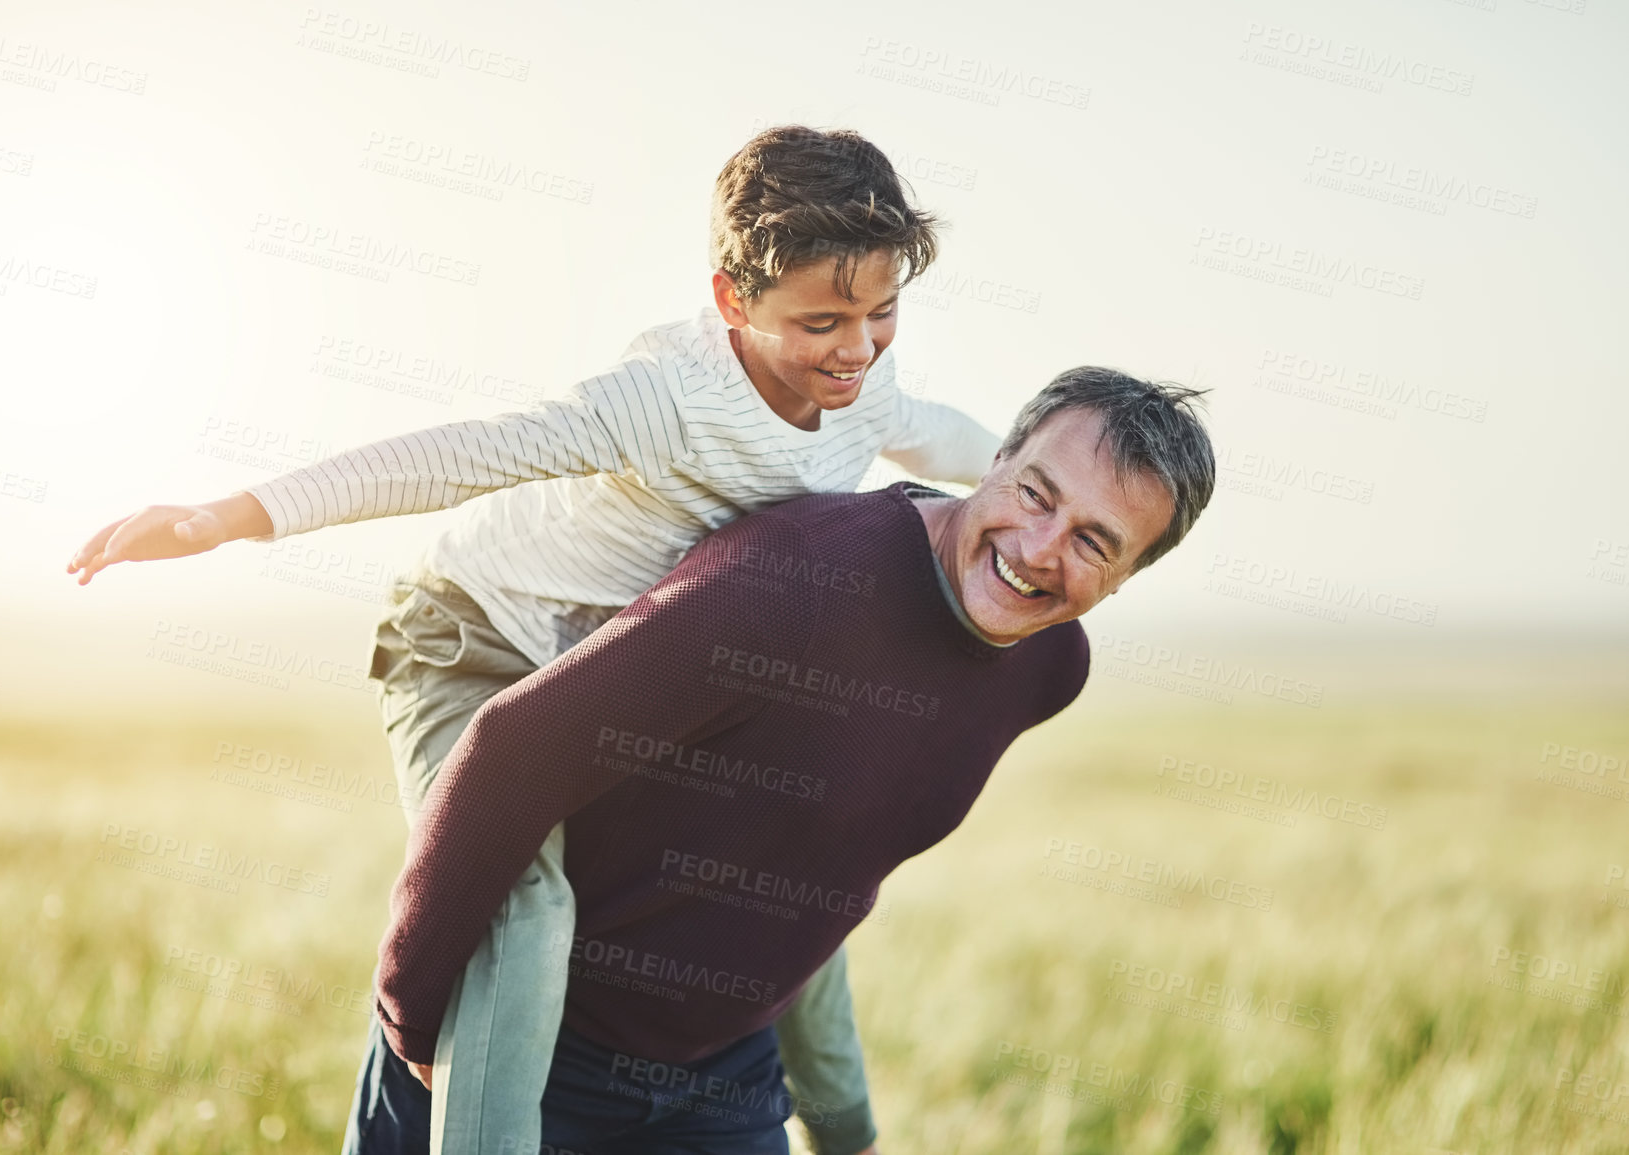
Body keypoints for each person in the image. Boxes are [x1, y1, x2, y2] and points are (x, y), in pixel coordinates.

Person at [67, 125, 997, 1155]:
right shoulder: (669, 399)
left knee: (783, 847)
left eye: (882, 314)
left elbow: (952, 442)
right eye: (822, 321)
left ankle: (847, 1134)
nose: (858, 348)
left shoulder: (865, 398)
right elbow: (471, 455)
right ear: (735, 302)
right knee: (525, 913)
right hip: (470, 641)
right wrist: (227, 516)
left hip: (612, 671)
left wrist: (1037, 497)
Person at [372, 369, 1216, 1152]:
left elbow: (833, 849)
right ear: (996, 459)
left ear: (1127, 573)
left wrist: (841, 1120)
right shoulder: (795, 581)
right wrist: (412, 1009)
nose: (1038, 548)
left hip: (726, 1090)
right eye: (1035, 493)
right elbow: (510, 747)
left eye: (1093, 541)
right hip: (531, 1058)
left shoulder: (1048, 668)